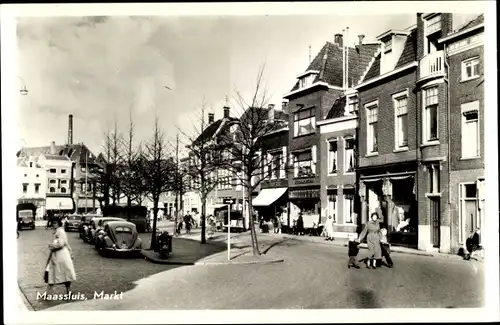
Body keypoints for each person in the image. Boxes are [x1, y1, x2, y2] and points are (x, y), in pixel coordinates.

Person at [45, 218, 76, 295]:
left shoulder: (60, 232)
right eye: (52, 223)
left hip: (61, 256)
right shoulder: (57, 232)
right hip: (58, 255)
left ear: (59, 223)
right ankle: (50, 292)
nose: (53, 224)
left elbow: (60, 244)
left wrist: (51, 245)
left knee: (57, 272)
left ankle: (67, 291)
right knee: (57, 272)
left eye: (55, 223)